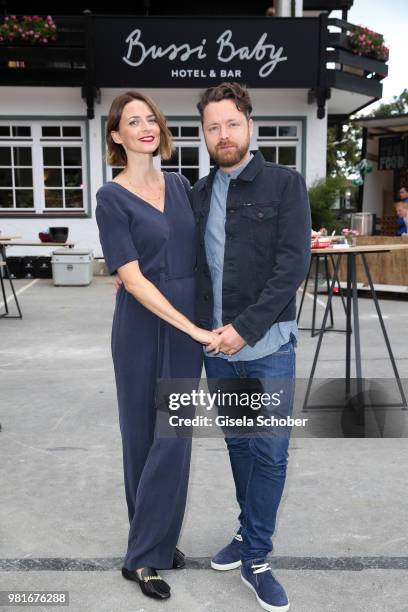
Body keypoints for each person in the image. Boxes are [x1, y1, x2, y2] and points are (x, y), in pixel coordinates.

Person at [95, 91, 220, 602]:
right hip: (143, 325)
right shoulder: (111, 197)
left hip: (188, 316)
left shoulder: (181, 184)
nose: (145, 126)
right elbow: (132, 277)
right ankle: (148, 554)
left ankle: (151, 546)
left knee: (175, 438)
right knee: (142, 437)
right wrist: (192, 328)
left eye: (151, 118)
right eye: (133, 121)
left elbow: (207, 248)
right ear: (117, 136)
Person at [193, 82, 311, 612]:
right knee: (239, 446)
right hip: (216, 349)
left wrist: (245, 328)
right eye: (213, 126)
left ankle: (257, 557)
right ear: (204, 133)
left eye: (231, 123)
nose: (223, 135)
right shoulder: (197, 193)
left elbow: (292, 267)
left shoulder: (286, 185)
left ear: (249, 125)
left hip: (267, 345)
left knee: (272, 452)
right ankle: (246, 535)